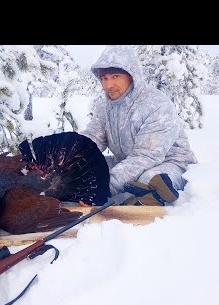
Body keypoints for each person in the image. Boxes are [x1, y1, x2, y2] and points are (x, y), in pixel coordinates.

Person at [81, 45, 198, 206]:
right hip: (128, 160)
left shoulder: (155, 104)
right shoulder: (105, 107)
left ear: (132, 75)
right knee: (91, 169)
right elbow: (93, 139)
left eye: (115, 76)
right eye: (104, 78)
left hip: (170, 162)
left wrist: (102, 189)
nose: (108, 85)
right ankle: (135, 196)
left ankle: (141, 204)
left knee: (149, 180)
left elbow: (146, 156)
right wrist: (71, 162)